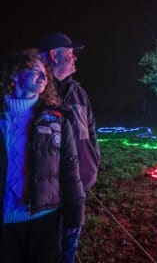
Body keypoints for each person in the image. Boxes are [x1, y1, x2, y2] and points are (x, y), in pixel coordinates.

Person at [0, 49, 85, 263]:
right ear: (15, 74)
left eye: (45, 74)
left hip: (45, 221)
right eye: (35, 71)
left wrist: (75, 217)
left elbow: (70, 170)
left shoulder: (56, 119)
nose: (43, 77)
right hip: (6, 224)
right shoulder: (3, 118)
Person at [39, 32, 101, 263]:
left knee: (68, 249)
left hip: (77, 189)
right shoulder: (34, 90)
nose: (75, 58)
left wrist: (91, 164)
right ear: (54, 55)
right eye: (70, 53)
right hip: (44, 197)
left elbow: (90, 131)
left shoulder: (78, 93)